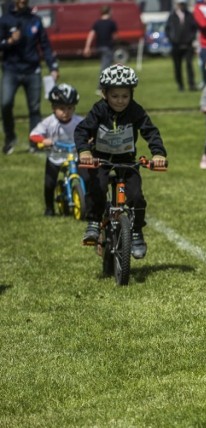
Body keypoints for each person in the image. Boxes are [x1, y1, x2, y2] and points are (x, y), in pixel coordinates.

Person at [75, 64, 167, 259]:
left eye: (125, 96)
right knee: (97, 186)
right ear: (105, 94)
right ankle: (93, 222)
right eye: (115, 96)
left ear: (131, 94)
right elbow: (82, 130)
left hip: (126, 159)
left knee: (136, 196)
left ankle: (136, 233)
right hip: (100, 159)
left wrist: (158, 154)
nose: (120, 101)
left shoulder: (135, 110)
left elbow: (150, 131)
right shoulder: (99, 110)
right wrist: (84, 151)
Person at [0, 0, 59, 155]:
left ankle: (35, 142)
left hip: (32, 70)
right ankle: (10, 138)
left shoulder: (35, 20)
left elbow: (45, 45)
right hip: (11, 70)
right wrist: (10, 41)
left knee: (34, 108)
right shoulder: (5, 19)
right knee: (5, 104)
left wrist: (53, 66)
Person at [29, 84, 84, 217]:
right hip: (55, 156)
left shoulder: (79, 121)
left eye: (70, 108)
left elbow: (91, 130)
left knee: (87, 177)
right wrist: (43, 140)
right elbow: (33, 135)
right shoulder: (49, 122)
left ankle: (86, 202)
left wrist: (90, 139)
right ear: (53, 108)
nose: (66, 112)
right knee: (49, 183)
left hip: (75, 155)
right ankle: (49, 208)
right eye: (61, 108)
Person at [165, 0, 199, 92]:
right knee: (177, 66)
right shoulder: (172, 16)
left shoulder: (189, 15)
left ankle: (191, 85)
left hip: (188, 45)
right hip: (176, 45)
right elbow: (167, 29)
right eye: (180, 4)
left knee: (189, 65)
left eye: (183, 4)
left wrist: (190, 39)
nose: (181, 6)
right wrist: (172, 40)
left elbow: (194, 29)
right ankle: (180, 85)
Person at [83, 5, 118, 89]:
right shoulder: (111, 23)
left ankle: (109, 85)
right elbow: (115, 36)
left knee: (107, 66)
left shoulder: (97, 23)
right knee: (105, 68)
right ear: (109, 11)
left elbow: (91, 35)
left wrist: (87, 47)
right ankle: (101, 87)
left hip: (99, 47)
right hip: (108, 48)